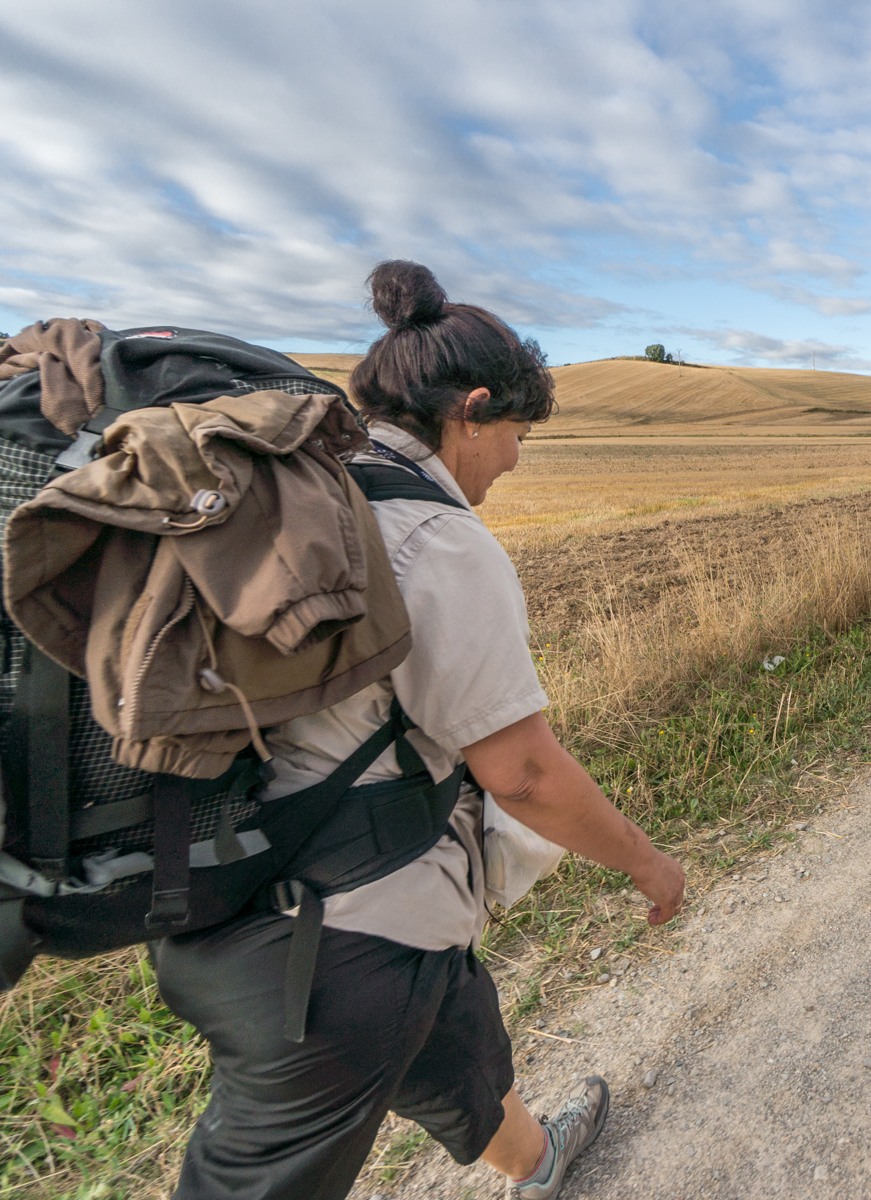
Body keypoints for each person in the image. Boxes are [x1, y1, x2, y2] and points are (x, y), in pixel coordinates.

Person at [153, 260, 685, 1200]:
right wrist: (648, 860)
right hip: (335, 945)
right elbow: (521, 771)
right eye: (516, 433)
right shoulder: (432, 538)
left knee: (457, 1041)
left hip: (245, 886)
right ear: (471, 410)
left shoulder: (316, 493)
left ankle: (543, 1163)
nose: (515, 460)